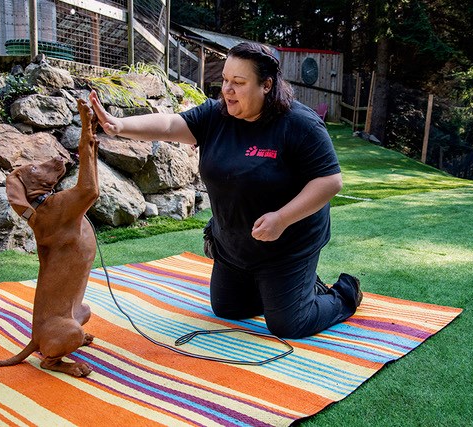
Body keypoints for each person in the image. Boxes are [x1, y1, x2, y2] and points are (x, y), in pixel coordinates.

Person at [89, 42, 362, 339]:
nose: (227, 90)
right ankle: (291, 289)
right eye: (226, 80)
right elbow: (169, 125)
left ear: (267, 85)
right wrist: (119, 125)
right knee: (228, 308)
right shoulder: (215, 116)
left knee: (288, 324)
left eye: (239, 83)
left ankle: (345, 292)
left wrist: (282, 218)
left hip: (288, 241)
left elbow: (330, 181)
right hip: (233, 242)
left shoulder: (300, 124)